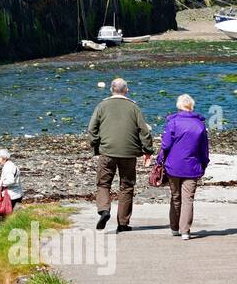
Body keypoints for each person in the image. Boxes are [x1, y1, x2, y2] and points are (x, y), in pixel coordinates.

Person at [87, 77, 153, 232]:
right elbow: (144, 131)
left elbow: (92, 129)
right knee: (127, 186)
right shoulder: (133, 107)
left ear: (111, 89)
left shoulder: (102, 105)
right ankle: (123, 223)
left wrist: (96, 145)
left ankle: (104, 210)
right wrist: (147, 150)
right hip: (129, 152)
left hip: (107, 151)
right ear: (126, 90)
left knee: (103, 183)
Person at [157, 93, 209, 240]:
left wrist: (159, 161)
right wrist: (204, 164)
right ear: (191, 107)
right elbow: (204, 149)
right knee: (188, 199)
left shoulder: (172, 122)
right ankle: (185, 230)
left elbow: (165, 145)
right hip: (192, 166)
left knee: (175, 197)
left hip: (173, 166)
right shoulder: (199, 124)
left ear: (179, 106)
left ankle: (174, 227)